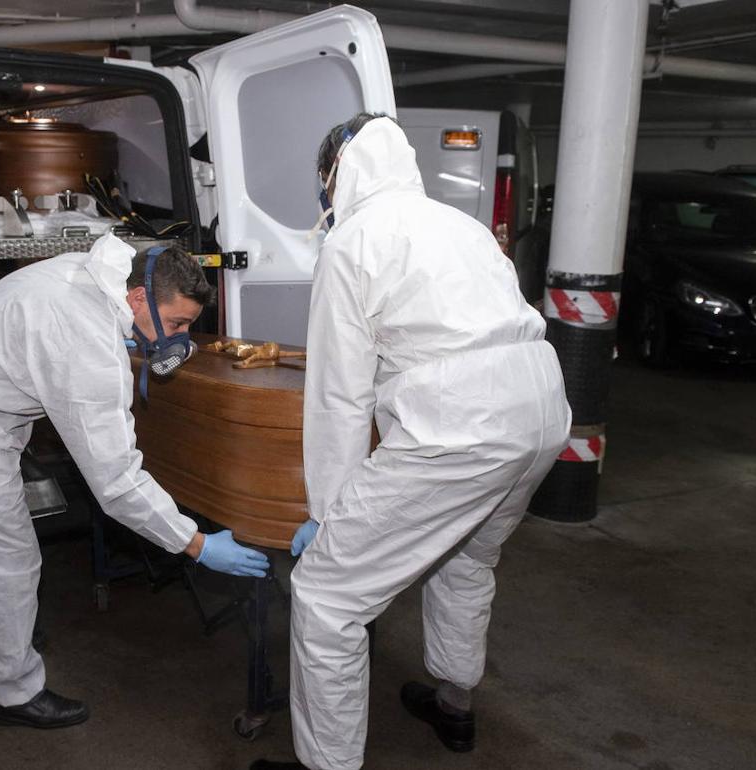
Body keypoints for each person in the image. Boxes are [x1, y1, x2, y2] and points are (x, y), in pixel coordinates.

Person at [252, 114, 571, 769]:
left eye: (323, 183)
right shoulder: (462, 225)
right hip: (541, 402)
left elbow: (342, 394)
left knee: (326, 596)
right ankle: (454, 706)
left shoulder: (353, 240)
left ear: (337, 173)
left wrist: (329, 515)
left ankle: (328, 764)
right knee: (466, 557)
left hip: (463, 425)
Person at [0, 234, 270, 730]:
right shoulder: (84, 335)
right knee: (8, 556)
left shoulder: (102, 276)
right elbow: (116, 482)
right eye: (179, 323)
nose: (179, 336)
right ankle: (13, 692)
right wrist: (195, 542)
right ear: (139, 298)